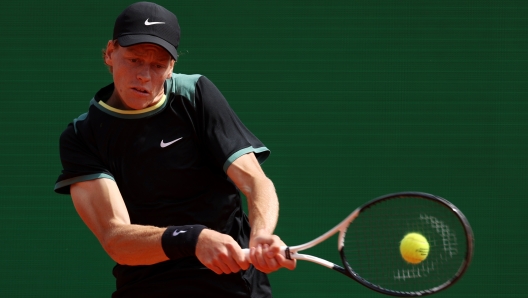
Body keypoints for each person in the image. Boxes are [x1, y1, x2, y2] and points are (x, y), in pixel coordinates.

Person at [54, 2, 295, 297]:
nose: (144, 75)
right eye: (134, 59)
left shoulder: (195, 96)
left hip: (235, 285)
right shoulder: (82, 135)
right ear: (110, 52)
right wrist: (192, 238)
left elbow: (255, 182)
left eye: (158, 65)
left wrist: (260, 236)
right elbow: (115, 238)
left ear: (171, 68)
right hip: (148, 286)